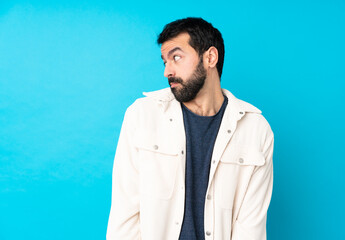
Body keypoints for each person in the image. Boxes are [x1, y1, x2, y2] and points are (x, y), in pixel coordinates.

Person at [106, 17, 274, 240]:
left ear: (210, 58)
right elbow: (124, 215)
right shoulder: (141, 116)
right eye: (165, 61)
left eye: (176, 57)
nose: (167, 71)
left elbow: (250, 229)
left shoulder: (256, 130)